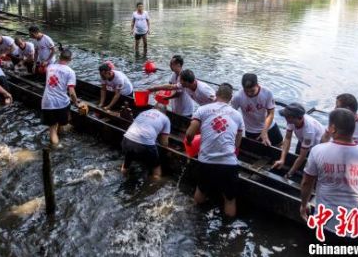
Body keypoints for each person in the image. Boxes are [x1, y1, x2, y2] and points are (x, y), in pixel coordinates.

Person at [300, 109, 358, 243]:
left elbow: (306, 183)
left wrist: (304, 206)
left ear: (332, 128)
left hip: (326, 222)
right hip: (357, 225)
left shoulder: (318, 151)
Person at [185, 83, 244, 217]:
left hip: (206, 161)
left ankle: (195, 218)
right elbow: (237, 144)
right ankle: (227, 230)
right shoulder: (237, 115)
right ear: (230, 98)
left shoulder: (203, 110)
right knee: (229, 200)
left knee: (200, 192)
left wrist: (189, 144)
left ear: (216, 95)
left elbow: (189, 134)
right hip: (228, 163)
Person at [272, 103, 326, 178]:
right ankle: (295, 170)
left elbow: (302, 156)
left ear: (297, 118)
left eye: (287, 117)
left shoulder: (308, 130)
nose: (285, 118)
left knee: (308, 164)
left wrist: (289, 174)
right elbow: (287, 138)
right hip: (303, 139)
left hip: (317, 146)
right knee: (296, 156)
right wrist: (282, 159)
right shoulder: (292, 120)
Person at [41, 49, 80, 147]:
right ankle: (58, 146)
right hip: (62, 103)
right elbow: (71, 92)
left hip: (47, 103)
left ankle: (55, 145)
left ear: (59, 57)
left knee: (52, 130)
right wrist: (76, 102)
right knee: (62, 123)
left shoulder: (50, 67)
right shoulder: (70, 72)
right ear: (70, 59)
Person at [231, 73, 283, 146]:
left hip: (269, 126)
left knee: (280, 145)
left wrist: (264, 131)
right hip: (251, 130)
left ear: (257, 85)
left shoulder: (267, 93)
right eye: (246, 91)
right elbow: (231, 113)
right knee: (256, 152)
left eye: (252, 91)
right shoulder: (237, 97)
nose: (249, 94)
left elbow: (271, 114)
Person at [121, 103, 171, 178]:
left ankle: (124, 175)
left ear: (153, 108)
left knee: (126, 164)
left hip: (126, 139)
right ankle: (151, 186)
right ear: (165, 112)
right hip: (145, 145)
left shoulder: (143, 112)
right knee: (156, 172)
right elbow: (164, 143)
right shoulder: (165, 118)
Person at [322, 93, 358, 158]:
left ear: (347, 109)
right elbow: (325, 138)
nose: (334, 109)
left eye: (337, 106)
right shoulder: (336, 119)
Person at [148, 69, 215, 106]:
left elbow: (218, 101)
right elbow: (171, 87)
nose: (180, 84)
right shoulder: (185, 85)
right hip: (204, 107)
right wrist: (154, 88)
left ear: (187, 82)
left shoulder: (203, 89)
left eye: (181, 82)